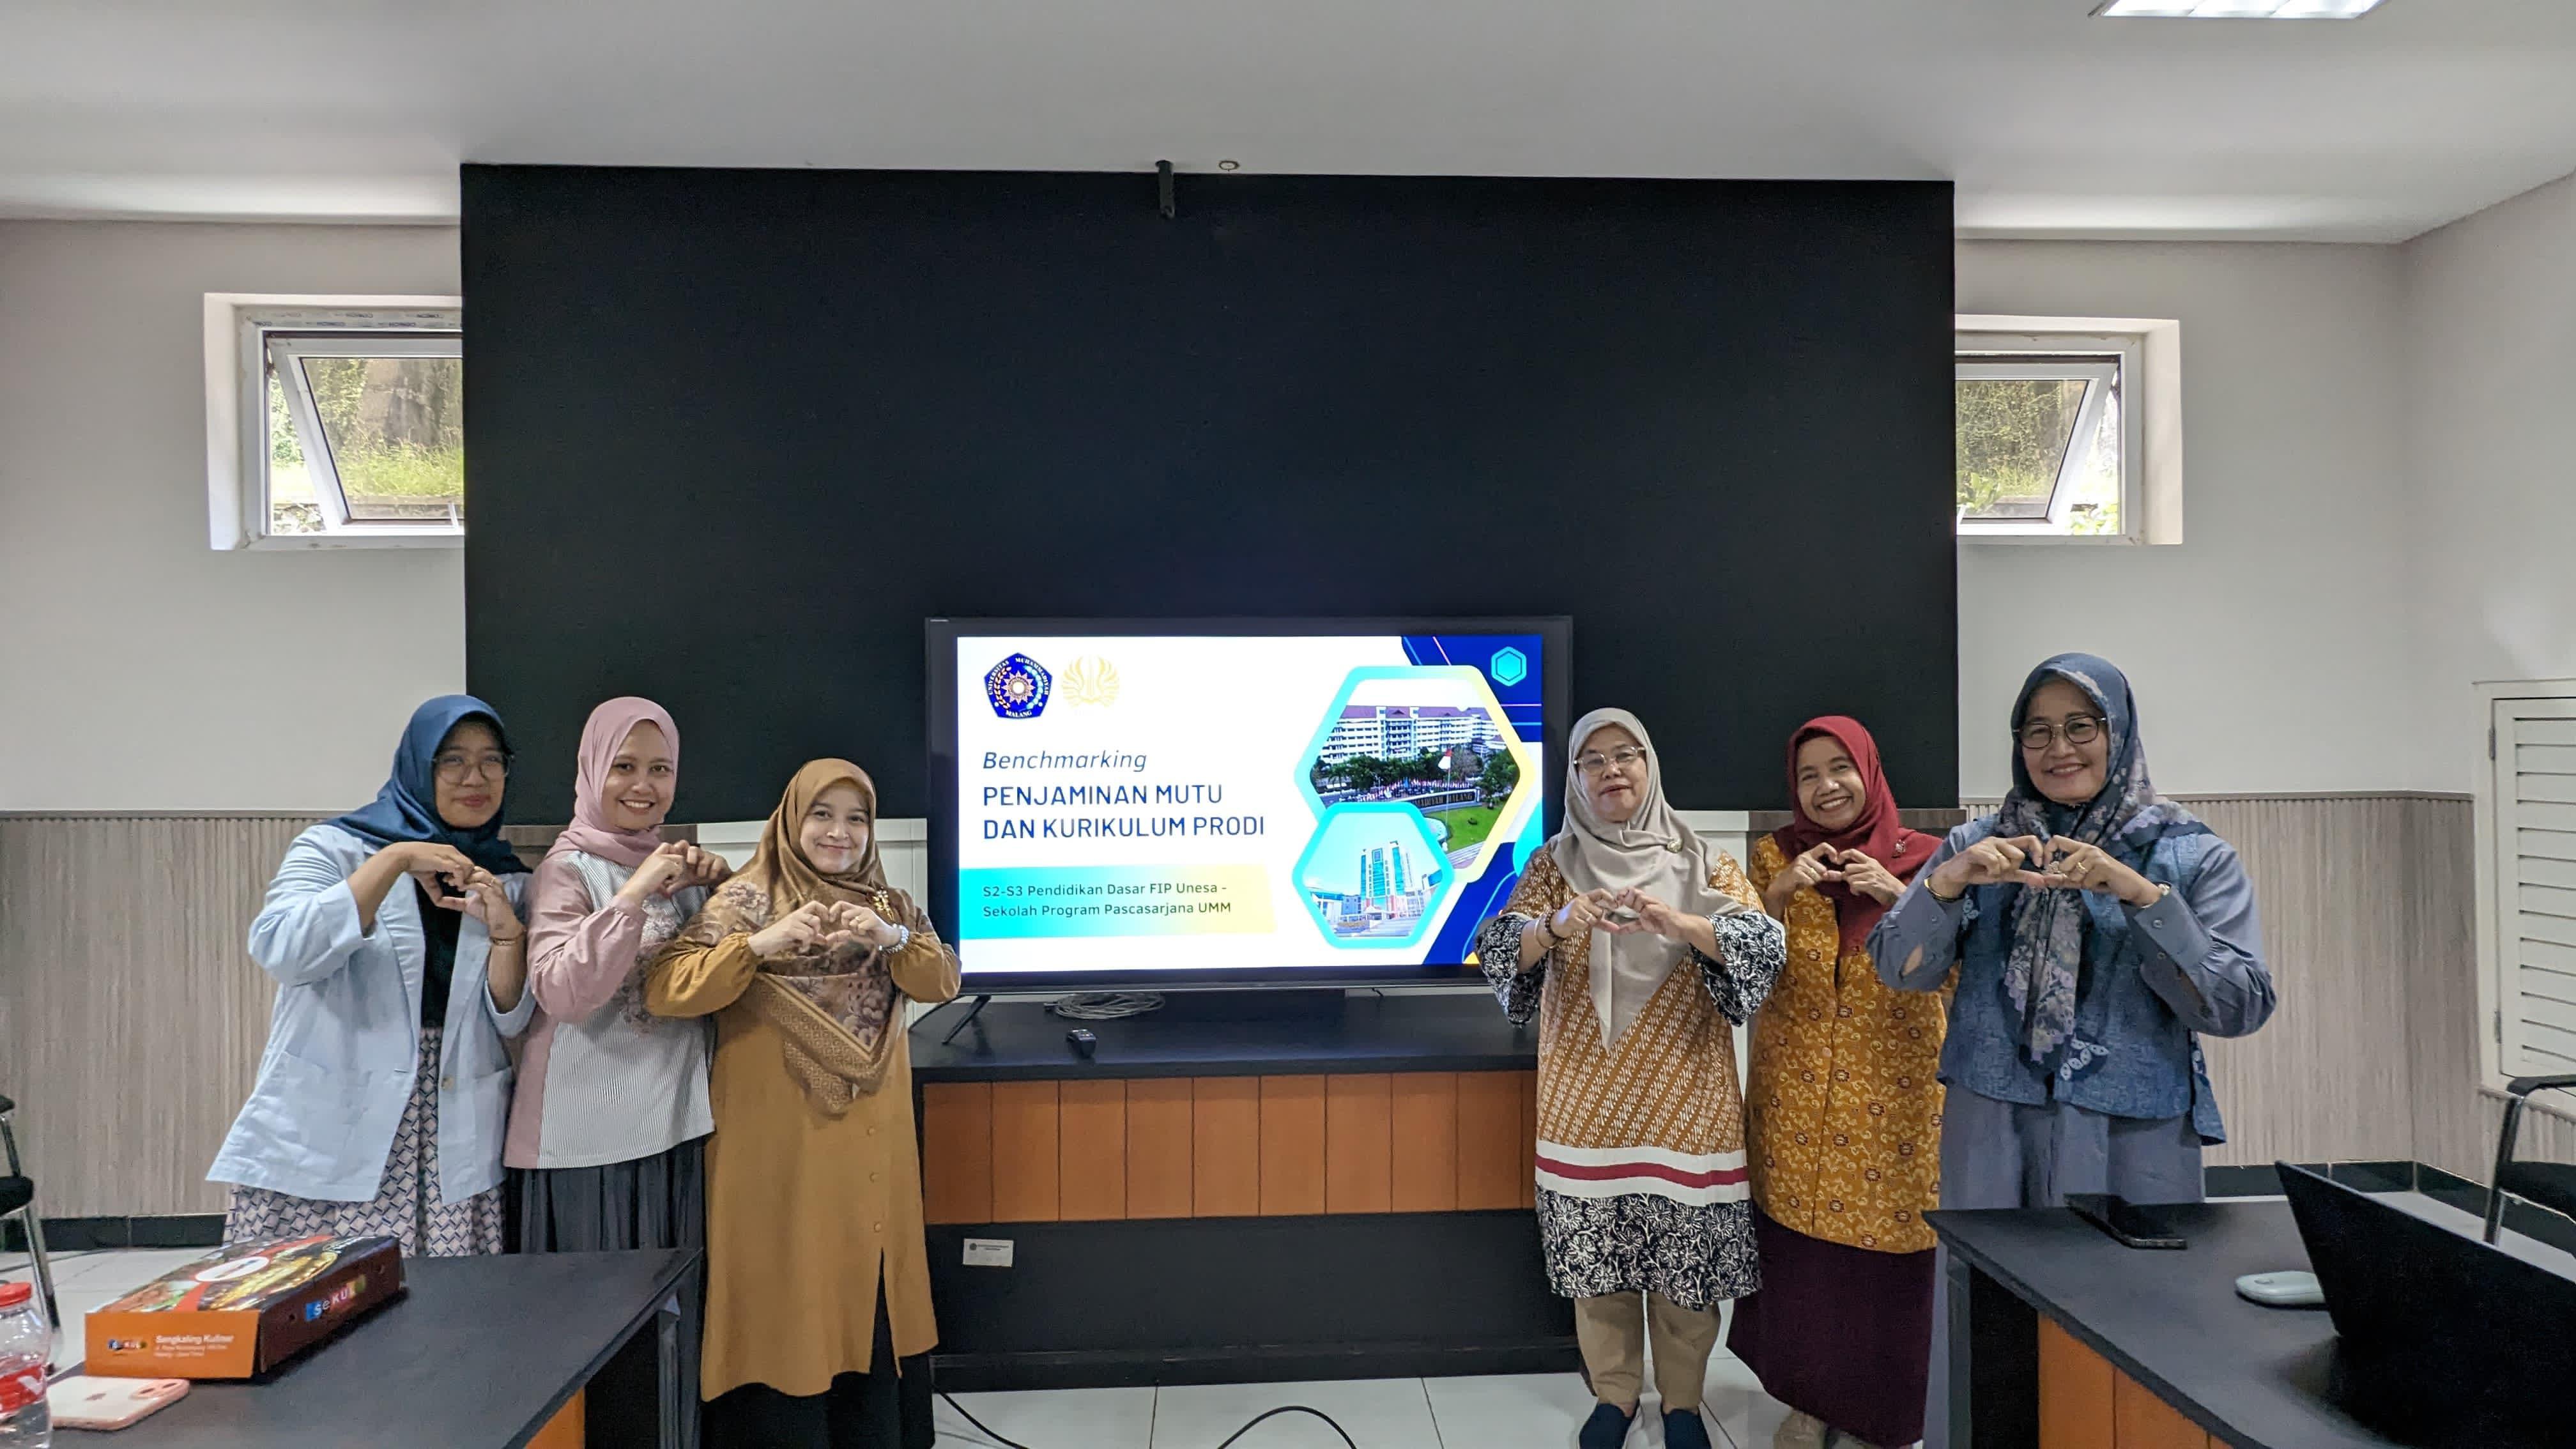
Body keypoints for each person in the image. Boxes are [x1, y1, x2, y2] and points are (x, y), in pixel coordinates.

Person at [1475, 709, 1787, 1449]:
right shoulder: (1552, 864)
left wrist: (1683, 925)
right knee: (1599, 1268)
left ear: (1650, 766)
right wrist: (1558, 924)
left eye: (1626, 755)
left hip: (1687, 1098)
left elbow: (1762, 948)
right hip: (1584, 1103)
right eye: (1593, 760)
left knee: (1685, 1268)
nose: (1611, 770)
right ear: (1576, 780)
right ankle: (1614, 1396)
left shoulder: (1703, 861)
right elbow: (1499, 950)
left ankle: (1683, 1404)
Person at [1870, 653, 2276, 1213]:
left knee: (2131, 1270)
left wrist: (2146, 899)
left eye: (2081, 726)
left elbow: (2239, 1007)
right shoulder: (1980, 848)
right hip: (1993, 1125)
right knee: (1991, 1271)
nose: (2059, 748)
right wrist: (1945, 884)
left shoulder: (2189, 855)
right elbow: (1898, 969)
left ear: (2119, 730)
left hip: (2134, 1130)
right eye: (2038, 731)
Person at [646, 759, 961, 1449]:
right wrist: (759, 946)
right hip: (777, 1152)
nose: (839, 832)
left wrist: (890, 938)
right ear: (792, 820)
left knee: (867, 1292)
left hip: (871, 1153)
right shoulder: (744, 901)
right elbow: (666, 988)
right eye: (822, 814)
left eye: (857, 818)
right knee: (786, 1290)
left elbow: (941, 980)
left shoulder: (888, 905)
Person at [210, 695, 533, 1255]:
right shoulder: (335, 848)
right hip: (333, 1123)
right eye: (453, 761)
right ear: (418, 766)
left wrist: (508, 935)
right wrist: (394, 860)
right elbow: (285, 951)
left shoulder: (509, 878)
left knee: (447, 1302)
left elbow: (511, 1019)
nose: (475, 778)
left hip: (453, 1128)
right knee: (318, 1295)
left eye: (491, 761)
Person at [507, 697, 730, 1448]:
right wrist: (632, 894)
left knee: (666, 1338)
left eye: (660, 769)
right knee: (587, 1343)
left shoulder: (680, 871)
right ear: (592, 770)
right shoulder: (565, 871)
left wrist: (721, 885)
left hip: (671, 1133)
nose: (643, 786)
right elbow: (563, 993)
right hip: (585, 1149)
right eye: (625, 767)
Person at [1728, 717, 1948, 1449]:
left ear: (1869, 771)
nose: (1825, 787)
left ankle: (1877, 1419)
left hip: (1897, 1101)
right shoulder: (1773, 857)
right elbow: (1740, 970)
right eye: (1808, 776)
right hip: (1795, 1096)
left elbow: (1962, 977)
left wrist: (1900, 898)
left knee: (1885, 1265)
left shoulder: (1931, 863)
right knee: (1804, 1263)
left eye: (1840, 769)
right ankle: (1809, 1402)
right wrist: (1777, 895)